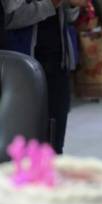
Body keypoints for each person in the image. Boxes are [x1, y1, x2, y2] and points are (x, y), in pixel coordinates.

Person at [3, 0, 87, 154]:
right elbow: (9, 18)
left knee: (54, 145)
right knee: (21, 148)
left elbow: (67, 18)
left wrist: (74, 5)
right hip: (23, 72)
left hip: (58, 65)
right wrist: (50, 4)